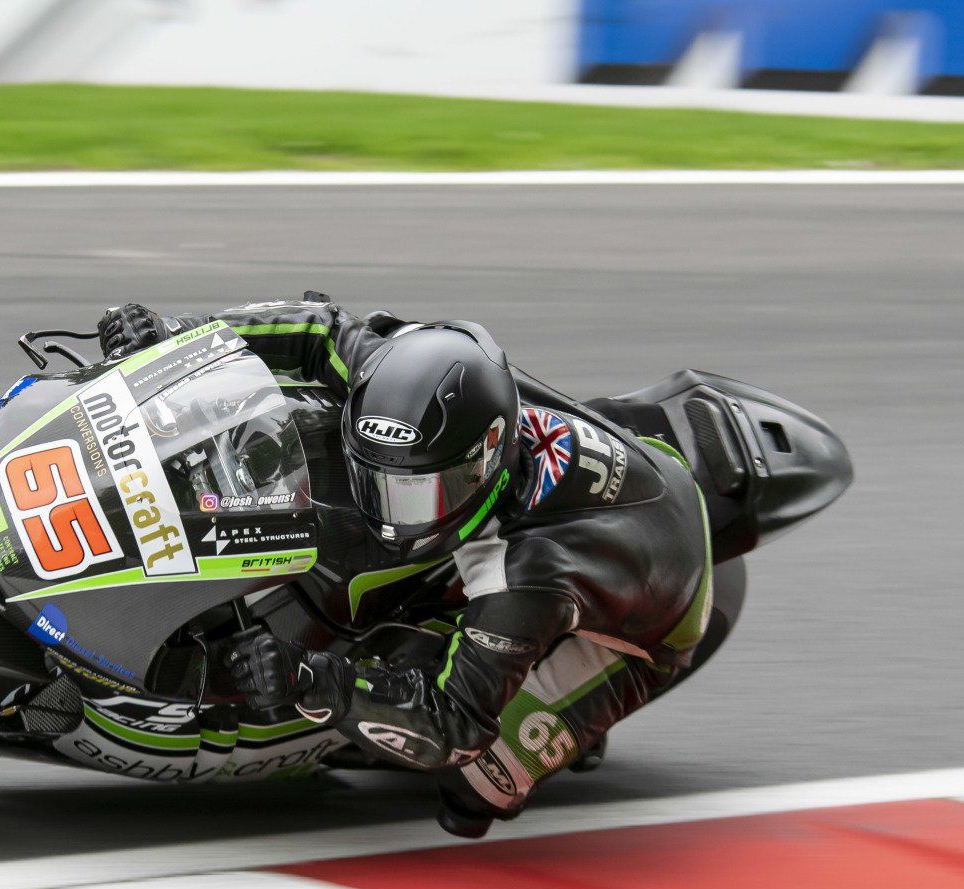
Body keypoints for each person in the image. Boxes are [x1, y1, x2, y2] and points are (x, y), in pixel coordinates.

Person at [97, 294, 744, 838]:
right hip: (614, 483)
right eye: (376, 482)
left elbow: (455, 725)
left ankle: (567, 705)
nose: (389, 514)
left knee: (475, 788)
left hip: (651, 610)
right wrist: (178, 336)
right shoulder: (396, 371)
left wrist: (313, 681)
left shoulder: (532, 570)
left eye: (415, 494)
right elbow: (315, 328)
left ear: (482, 468)